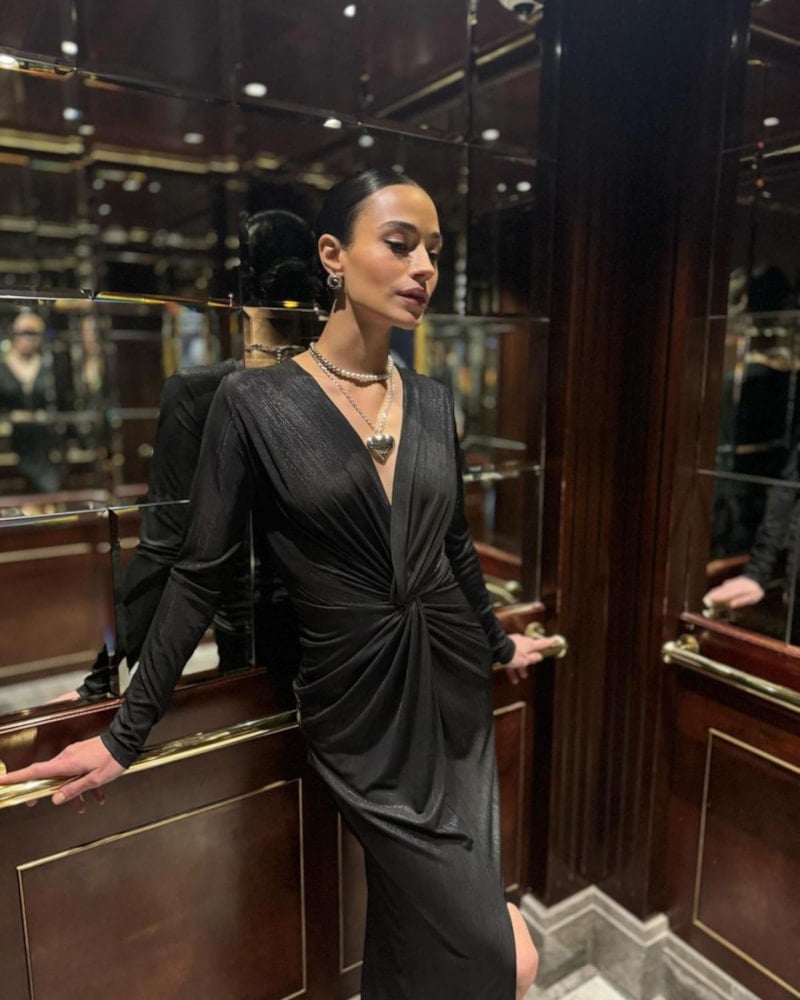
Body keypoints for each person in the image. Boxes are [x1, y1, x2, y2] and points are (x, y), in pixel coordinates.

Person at [0, 169, 551, 999]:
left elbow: (454, 546)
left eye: (434, 252)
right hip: (357, 712)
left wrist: (500, 644)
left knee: (410, 932)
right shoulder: (253, 403)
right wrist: (123, 733)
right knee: (503, 957)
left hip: (452, 696)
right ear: (333, 254)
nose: (424, 269)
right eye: (400, 244)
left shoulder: (434, 404)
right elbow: (197, 573)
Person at [0, 309, 63, 493]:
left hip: (44, 439)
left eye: (35, 334)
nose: (30, 339)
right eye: (25, 333)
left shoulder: (49, 366)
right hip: (10, 439)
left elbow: (61, 402)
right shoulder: (2, 367)